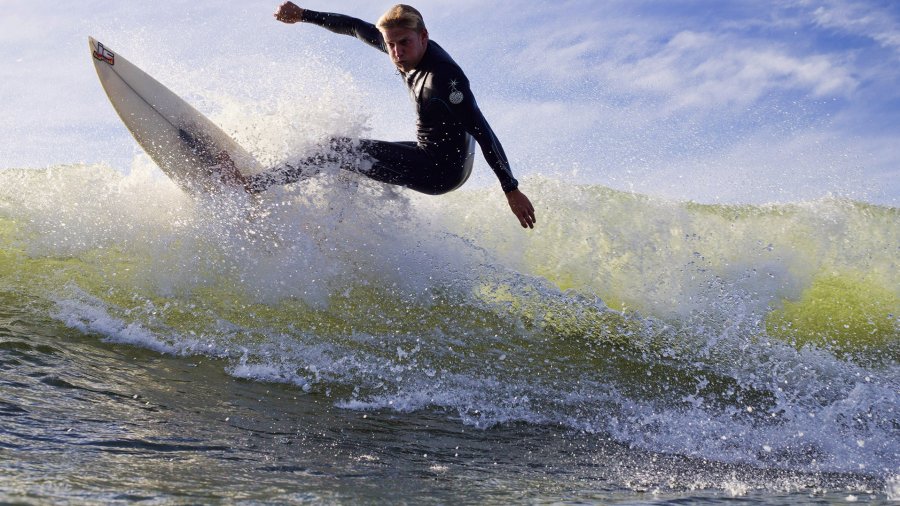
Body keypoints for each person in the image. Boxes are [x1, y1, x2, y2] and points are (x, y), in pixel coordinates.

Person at [247, 2, 535, 229]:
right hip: (429, 153)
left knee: (338, 149)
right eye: (390, 45)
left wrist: (511, 189)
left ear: (423, 37)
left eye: (404, 43)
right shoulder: (401, 47)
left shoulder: (444, 80)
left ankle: (251, 185)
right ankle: (331, 226)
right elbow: (354, 27)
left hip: (440, 170)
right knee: (350, 159)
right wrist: (303, 14)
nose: (396, 52)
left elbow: (484, 132)